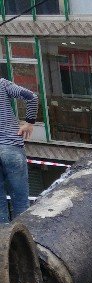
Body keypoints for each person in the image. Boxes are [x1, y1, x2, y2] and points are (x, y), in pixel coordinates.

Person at [0, 77, 38, 224]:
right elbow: (31, 97)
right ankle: (23, 242)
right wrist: (29, 123)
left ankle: (4, 244)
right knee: (21, 201)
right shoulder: (3, 84)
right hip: (11, 146)